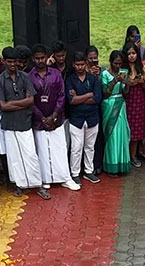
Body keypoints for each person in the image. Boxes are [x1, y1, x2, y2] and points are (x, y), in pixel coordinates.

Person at [0, 48, 46, 199]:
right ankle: (19, 185)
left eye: (14, 62)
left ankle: (37, 184)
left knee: (30, 154)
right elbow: (2, 106)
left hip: (25, 122)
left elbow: (31, 100)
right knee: (14, 157)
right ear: (4, 61)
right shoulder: (0, 80)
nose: (12, 64)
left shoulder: (24, 77)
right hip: (9, 124)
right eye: (9, 61)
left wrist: (12, 104)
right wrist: (22, 102)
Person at [30, 45, 79, 192]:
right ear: (33, 59)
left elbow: (62, 96)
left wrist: (54, 116)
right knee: (43, 150)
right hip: (39, 119)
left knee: (60, 148)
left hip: (56, 118)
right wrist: (42, 118)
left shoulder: (56, 74)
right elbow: (30, 100)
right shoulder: (29, 76)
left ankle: (65, 178)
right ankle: (46, 179)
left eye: (42, 58)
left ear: (47, 57)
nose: (40, 61)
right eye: (37, 58)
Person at [65, 53, 102, 184]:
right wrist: (88, 94)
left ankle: (88, 171)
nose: (80, 67)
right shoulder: (70, 80)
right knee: (76, 148)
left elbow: (97, 98)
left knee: (90, 146)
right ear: (73, 65)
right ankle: (74, 173)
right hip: (76, 118)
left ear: (86, 64)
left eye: (82, 64)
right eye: (77, 65)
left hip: (92, 117)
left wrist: (79, 98)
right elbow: (71, 101)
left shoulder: (93, 79)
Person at [100, 50, 131, 175]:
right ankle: (111, 165)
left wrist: (126, 83)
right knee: (111, 135)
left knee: (122, 134)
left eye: (120, 63)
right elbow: (105, 93)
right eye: (115, 63)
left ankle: (122, 164)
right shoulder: (105, 74)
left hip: (121, 105)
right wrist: (114, 82)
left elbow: (126, 93)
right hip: (109, 105)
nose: (118, 66)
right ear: (110, 62)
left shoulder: (124, 72)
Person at [122, 43, 145, 168]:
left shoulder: (141, 67)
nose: (131, 56)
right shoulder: (123, 68)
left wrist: (141, 81)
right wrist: (130, 83)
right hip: (126, 101)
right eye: (129, 53)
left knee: (137, 128)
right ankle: (125, 155)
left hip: (138, 101)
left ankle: (133, 155)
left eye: (133, 53)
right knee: (126, 128)